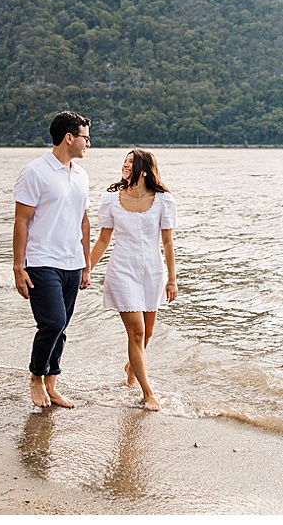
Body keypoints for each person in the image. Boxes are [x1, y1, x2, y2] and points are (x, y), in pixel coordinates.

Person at [85, 148, 178, 412]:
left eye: (130, 162)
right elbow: (103, 239)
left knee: (147, 333)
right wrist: (87, 269)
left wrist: (172, 279)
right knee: (136, 332)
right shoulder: (112, 199)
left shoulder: (163, 200)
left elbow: (168, 242)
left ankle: (131, 365)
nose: (125, 166)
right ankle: (148, 392)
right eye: (124, 162)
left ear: (145, 170)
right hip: (122, 269)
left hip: (153, 271)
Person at [13, 111, 92, 409]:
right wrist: (18, 267)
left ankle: (52, 383)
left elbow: (83, 221)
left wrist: (85, 263)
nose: (88, 143)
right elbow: (21, 221)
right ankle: (36, 377)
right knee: (52, 322)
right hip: (41, 260)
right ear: (69, 138)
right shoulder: (35, 172)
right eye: (85, 137)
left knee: (63, 326)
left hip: (72, 262)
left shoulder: (81, 175)